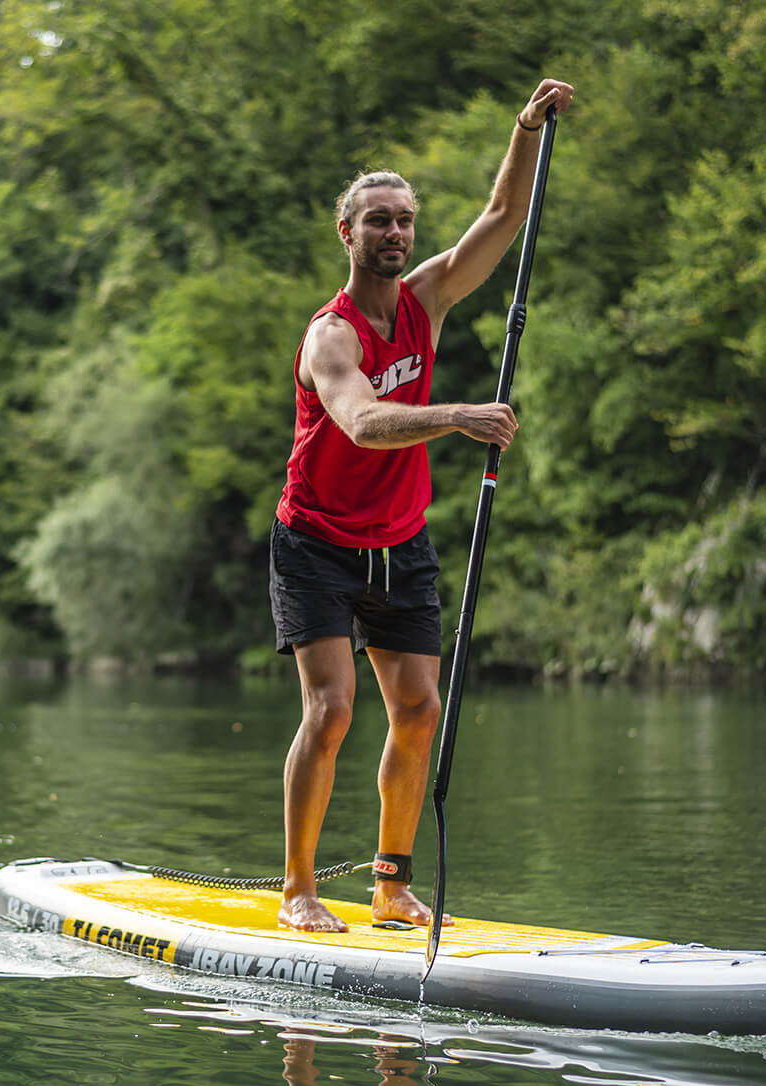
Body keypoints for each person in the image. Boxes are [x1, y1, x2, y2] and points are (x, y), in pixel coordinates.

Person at [270, 78, 575, 933]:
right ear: (348, 233)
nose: (397, 231)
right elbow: (363, 423)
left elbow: (503, 218)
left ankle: (390, 884)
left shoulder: (429, 298)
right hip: (317, 541)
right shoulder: (331, 335)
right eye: (379, 220)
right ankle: (298, 889)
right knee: (330, 711)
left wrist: (525, 129)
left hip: (400, 542)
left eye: (405, 219)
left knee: (420, 710)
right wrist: (458, 415)